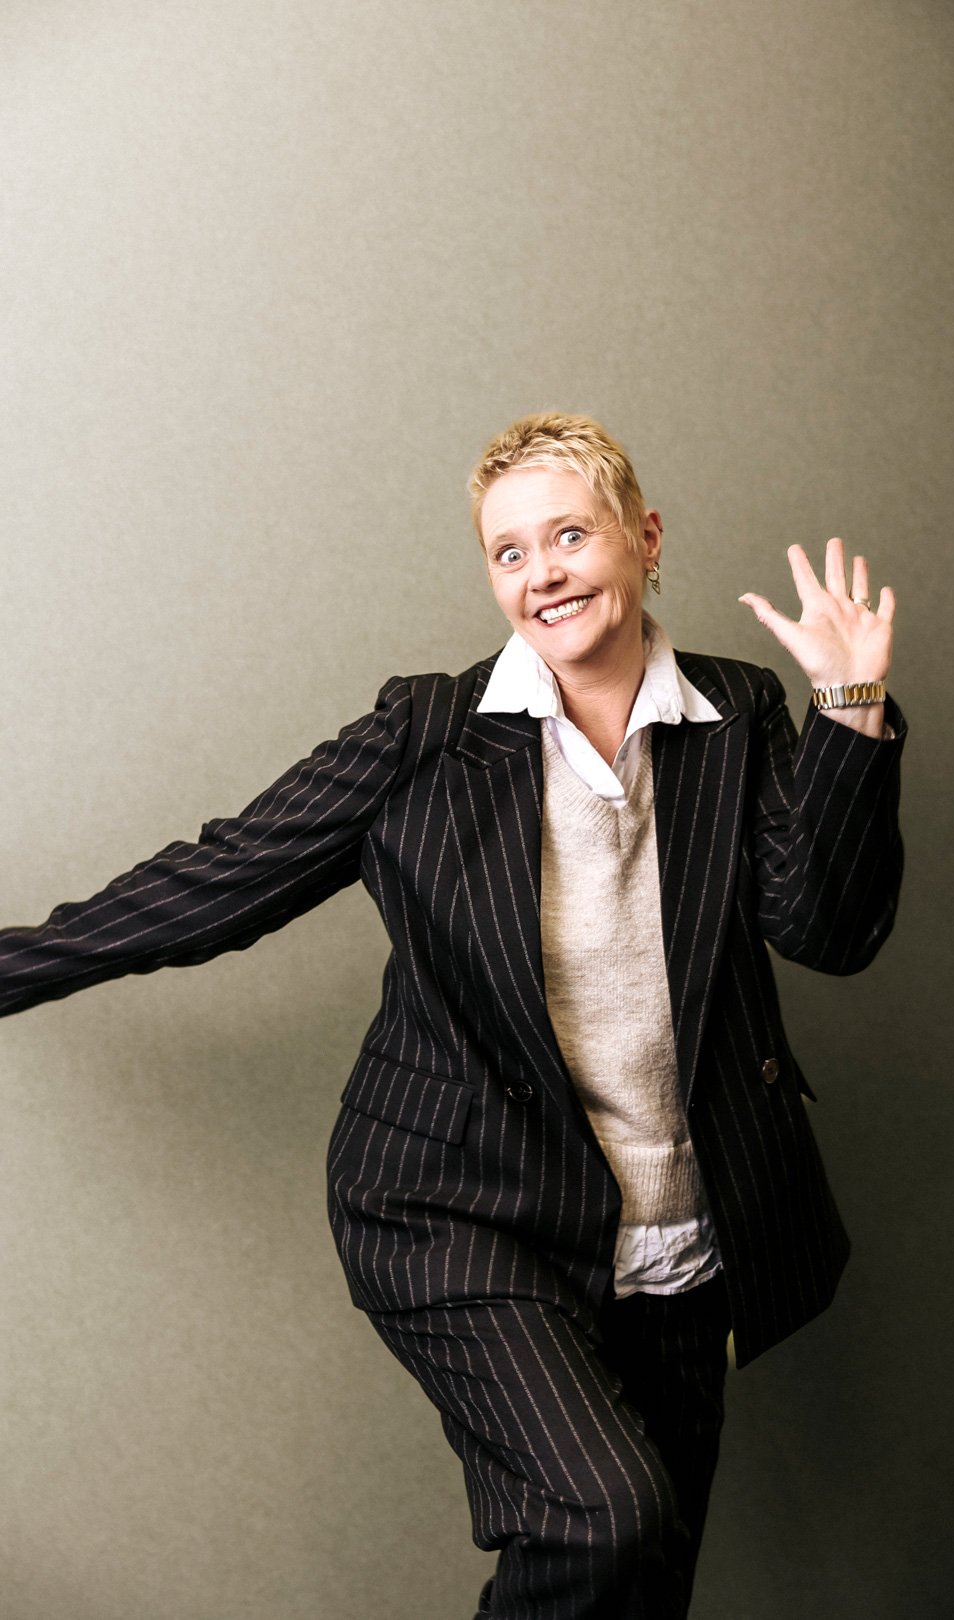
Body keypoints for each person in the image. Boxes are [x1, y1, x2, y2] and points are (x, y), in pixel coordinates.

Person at [0, 413, 905, 1619]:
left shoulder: (738, 716)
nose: (544, 574)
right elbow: (221, 881)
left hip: (678, 1232)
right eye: (511, 552)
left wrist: (850, 708)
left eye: (571, 535)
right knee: (605, 1511)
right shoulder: (426, 734)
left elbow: (828, 932)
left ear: (644, 539)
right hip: (457, 1205)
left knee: (643, 1575)